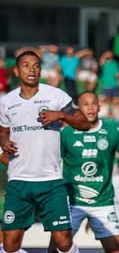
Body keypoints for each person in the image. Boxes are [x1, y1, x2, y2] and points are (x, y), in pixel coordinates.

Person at [0, 49, 92, 253]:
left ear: (40, 71)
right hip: (18, 181)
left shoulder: (55, 95)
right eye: (26, 65)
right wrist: (4, 140)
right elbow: (3, 130)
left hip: (51, 182)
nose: (32, 70)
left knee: (64, 242)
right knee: (10, 244)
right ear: (16, 71)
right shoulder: (6, 102)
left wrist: (60, 115)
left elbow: (85, 123)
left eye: (36, 66)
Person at [46, 91, 119, 253]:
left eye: (93, 104)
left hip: (103, 202)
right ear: (78, 108)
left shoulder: (112, 131)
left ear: (99, 107)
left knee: (117, 249)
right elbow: (52, 165)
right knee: (55, 249)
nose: (90, 108)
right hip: (72, 202)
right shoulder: (66, 134)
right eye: (85, 104)